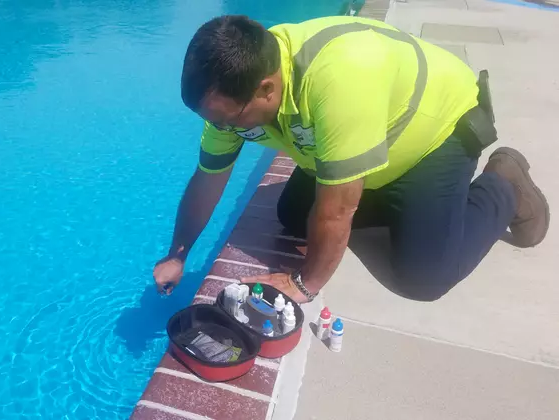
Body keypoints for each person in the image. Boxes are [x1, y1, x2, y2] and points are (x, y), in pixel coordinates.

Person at [153, 14, 550, 304]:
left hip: (435, 133)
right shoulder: (231, 95)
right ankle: (388, 194)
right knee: (293, 214)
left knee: (423, 277)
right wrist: (178, 253)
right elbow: (208, 178)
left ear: (267, 88)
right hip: (369, 134)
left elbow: (337, 213)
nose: (222, 128)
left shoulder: (338, 79)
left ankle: (505, 185)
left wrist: (304, 284)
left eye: (228, 120)